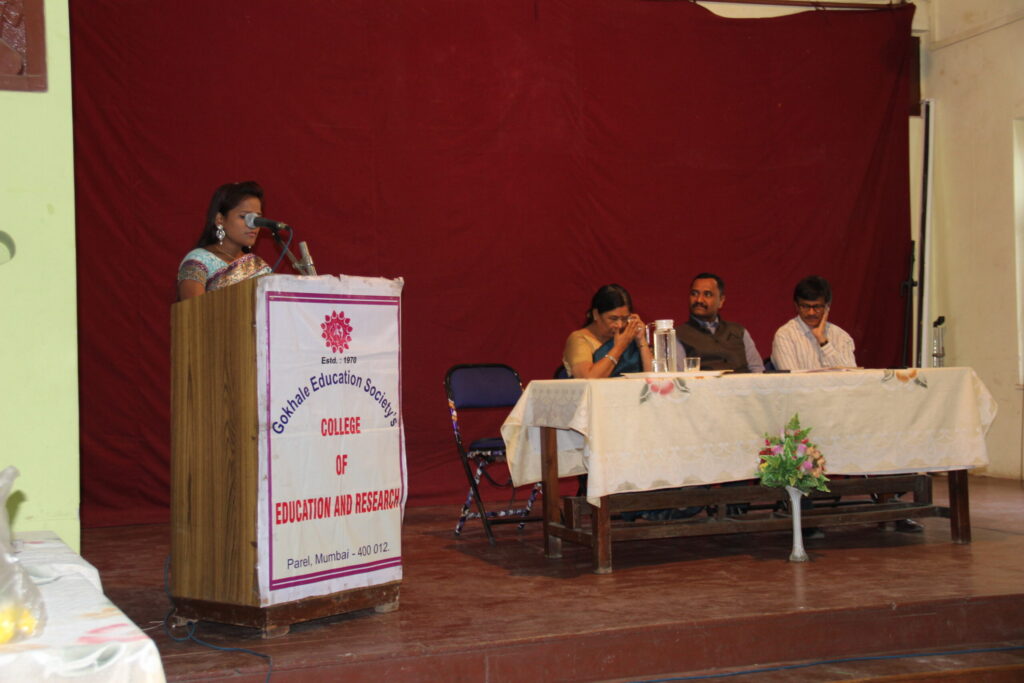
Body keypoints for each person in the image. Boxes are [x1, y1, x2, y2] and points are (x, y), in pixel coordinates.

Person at [177, 181, 273, 301]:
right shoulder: (198, 261)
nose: (252, 224)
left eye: (257, 218)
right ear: (220, 220)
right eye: (244, 217)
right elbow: (194, 311)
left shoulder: (259, 267)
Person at [677, 273, 764, 373]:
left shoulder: (739, 332)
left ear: (721, 301)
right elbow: (678, 377)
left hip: (744, 382)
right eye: (694, 293)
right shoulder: (678, 335)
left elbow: (757, 370)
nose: (699, 300)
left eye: (707, 294)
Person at [562, 284, 653, 378]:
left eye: (624, 318)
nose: (620, 325)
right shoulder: (580, 339)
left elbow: (654, 378)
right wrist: (619, 347)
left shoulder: (628, 335)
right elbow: (588, 379)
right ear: (596, 314)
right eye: (613, 318)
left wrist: (641, 341)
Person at [771, 275, 856, 370]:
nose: (811, 313)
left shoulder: (841, 337)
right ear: (796, 306)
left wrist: (823, 341)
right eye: (805, 306)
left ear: (827, 306)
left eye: (817, 307)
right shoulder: (785, 335)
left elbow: (852, 375)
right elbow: (791, 378)